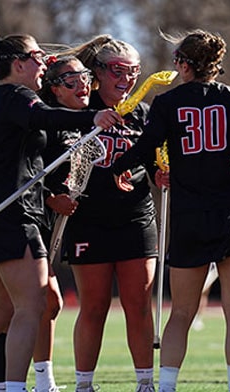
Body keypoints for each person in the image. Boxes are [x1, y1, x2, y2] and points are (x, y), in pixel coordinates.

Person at [0, 27, 121, 392]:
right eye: (37, 58)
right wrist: (91, 119)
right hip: (13, 213)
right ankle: (16, 387)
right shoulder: (17, 97)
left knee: (2, 309)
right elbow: (46, 118)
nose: (44, 64)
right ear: (18, 65)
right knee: (30, 308)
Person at [113, 29, 230, 392]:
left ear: (183, 64)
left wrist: (116, 167)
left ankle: (167, 387)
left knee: (182, 313)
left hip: (190, 216)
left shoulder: (167, 103)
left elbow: (144, 149)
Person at [0, 55, 95, 392]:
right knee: (15, 307)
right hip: (28, 218)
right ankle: (5, 382)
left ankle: (40, 379)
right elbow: (25, 173)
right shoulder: (42, 123)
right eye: (71, 81)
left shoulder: (79, 120)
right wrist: (51, 198)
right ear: (54, 89)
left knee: (44, 304)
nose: (82, 86)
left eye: (84, 78)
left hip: (51, 224)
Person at [59, 35, 158, 392]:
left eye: (133, 71)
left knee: (138, 304)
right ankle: (83, 385)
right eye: (118, 70)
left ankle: (145, 383)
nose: (127, 78)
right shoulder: (82, 109)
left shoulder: (145, 114)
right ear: (98, 72)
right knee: (94, 306)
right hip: (90, 220)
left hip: (136, 218)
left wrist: (161, 172)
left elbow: (153, 162)